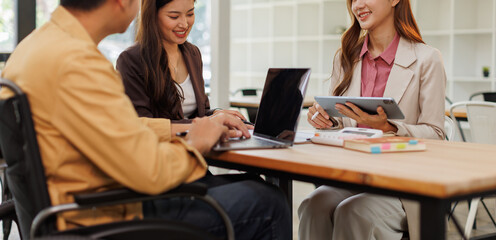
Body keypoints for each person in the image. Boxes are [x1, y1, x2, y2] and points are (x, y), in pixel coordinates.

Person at [0, 0, 291, 239]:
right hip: (99, 218)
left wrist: (192, 126)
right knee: (268, 201)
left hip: (65, 210)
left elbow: (115, 127)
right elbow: (151, 172)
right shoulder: (79, 63)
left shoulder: (33, 50)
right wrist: (195, 144)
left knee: (251, 185)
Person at [298, 0, 446, 239]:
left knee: (352, 213)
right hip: (354, 175)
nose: (358, 5)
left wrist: (388, 127)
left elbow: (436, 134)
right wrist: (328, 120)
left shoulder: (427, 59)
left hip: (403, 184)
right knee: (313, 205)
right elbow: (346, 124)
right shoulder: (345, 57)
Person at [116, 0, 247, 136]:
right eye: (174, 17)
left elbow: (199, 113)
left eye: (190, 14)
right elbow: (142, 125)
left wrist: (216, 114)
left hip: (201, 147)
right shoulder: (130, 60)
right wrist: (211, 121)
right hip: (163, 152)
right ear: (152, 15)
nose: (184, 24)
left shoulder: (193, 53)